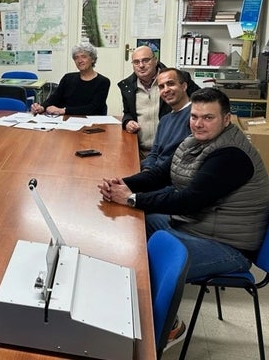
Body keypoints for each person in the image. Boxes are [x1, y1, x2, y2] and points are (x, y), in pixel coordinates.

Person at [99, 88, 269, 346]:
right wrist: (124, 183)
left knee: (144, 261)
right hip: (200, 226)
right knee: (135, 223)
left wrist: (132, 198)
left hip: (229, 247)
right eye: (194, 116)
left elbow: (189, 201)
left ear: (226, 119)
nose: (199, 123)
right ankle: (119, 313)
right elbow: (159, 174)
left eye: (208, 118)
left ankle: (168, 327)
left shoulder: (231, 155)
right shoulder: (195, 141)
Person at [118, 45, 200, 158]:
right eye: (136, 62)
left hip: (171, 152)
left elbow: (203, 102)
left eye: (145, 60)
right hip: (139, 150)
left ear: (155, 60)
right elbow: (127, 112)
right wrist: (127, 122)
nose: (141, 65)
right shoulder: (127, 86)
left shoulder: (175, 79)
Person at [31, 42, 110, 116]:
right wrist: (42, 107)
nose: (80, 61)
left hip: (91, 123)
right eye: (76, 58)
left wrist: (63, 110)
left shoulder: (103, 82)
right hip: (66, 121)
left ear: (92, 59)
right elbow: (55, 98)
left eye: (84, 57)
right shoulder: (68, 78)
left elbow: (94, 108)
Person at [140, 68, 191, 171]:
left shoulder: (196, 116)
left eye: (171, 84)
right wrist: (146, 172)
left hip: (174, 178)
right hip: (155, 175)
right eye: (161, 87)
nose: (166, 90)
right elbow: (154, 154)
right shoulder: (164, 120)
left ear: (184, 86)